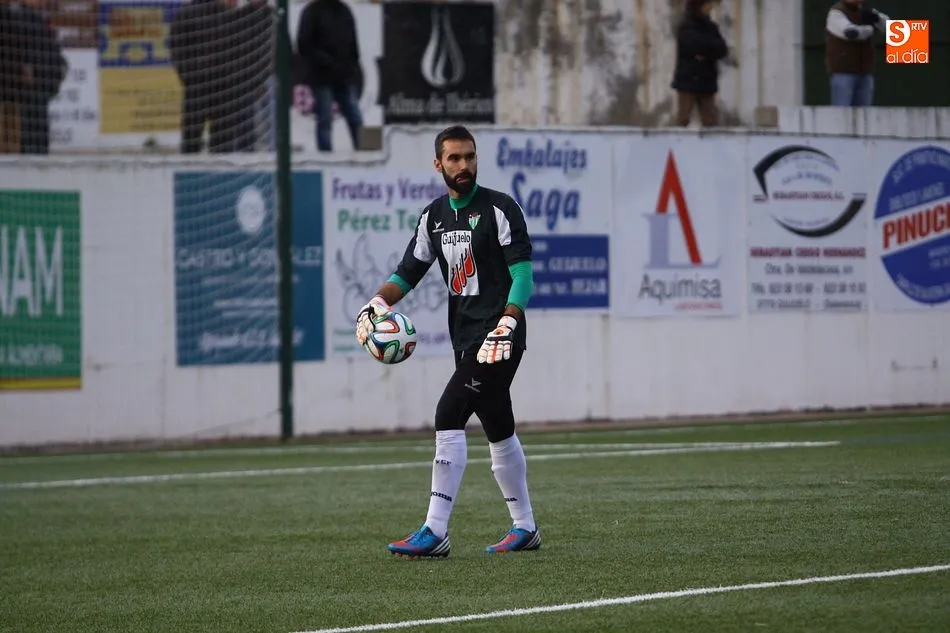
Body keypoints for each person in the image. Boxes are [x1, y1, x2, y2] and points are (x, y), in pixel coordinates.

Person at [355, 125, 540, 557]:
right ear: (438, 164)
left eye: (469, 157)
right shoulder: (433, 216)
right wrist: (376, 303)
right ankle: (525, 526)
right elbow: (408, 272)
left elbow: (523, 273)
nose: (464, 166)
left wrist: (509, 322)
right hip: (465, 339)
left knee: (448, 410)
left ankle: (435, 530)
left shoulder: (500, 208)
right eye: (454, 159)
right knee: (498, 426)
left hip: (500, 337)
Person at [295, 0, 363, 152]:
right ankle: (326, 157)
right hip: (321, 77)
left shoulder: (345, 10)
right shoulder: (311, 11)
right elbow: (303, 44)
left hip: (344, 75)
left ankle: (368, 152)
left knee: (356, 116)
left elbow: (353, 41)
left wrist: (353, 66)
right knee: (325, 119)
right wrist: (326, 62)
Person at [671, 0, 728, 127]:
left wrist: (706, 53)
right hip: (687, 81)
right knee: (683, 120)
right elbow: (694, 45)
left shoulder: (711, 27)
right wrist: (709, 50)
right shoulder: (686, 27)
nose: (710, 7)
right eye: (707, 4)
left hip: (707, 82)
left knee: (710, 121)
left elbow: (722, 49)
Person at [825, 0, 889, 107]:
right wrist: (870, 29)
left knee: (864, 113)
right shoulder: (836, 13)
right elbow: (850, 33)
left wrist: (878, 19)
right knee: (842, 111)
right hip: (843, 71)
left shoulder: (866, 10)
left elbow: (891, 28)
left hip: (865, 71)